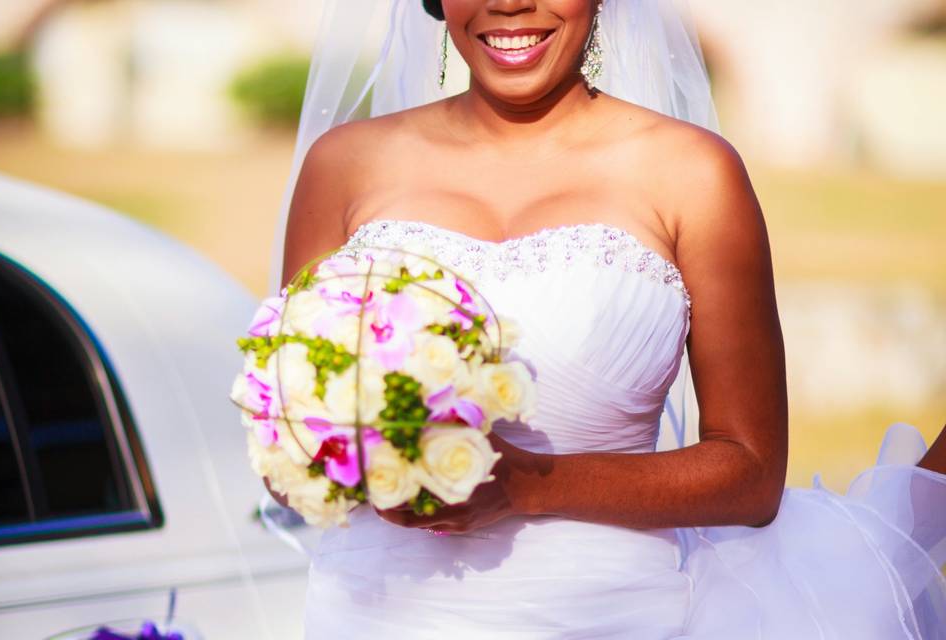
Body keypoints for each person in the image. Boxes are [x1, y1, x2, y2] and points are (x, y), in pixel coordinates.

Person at [267, 1, 946, 637]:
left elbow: (752, 473)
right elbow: (285, 438)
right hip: (376, 613)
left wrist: (527, 485)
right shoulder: (344, 167)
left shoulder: (693, 174)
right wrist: (341, 451)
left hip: (610, 617)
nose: (509, 3)